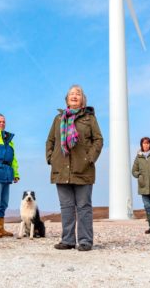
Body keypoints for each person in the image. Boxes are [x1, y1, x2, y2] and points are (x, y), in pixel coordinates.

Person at [46, 84, 103, 251]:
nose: (74, 95)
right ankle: (68, 240)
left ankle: (85, 241)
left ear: (82, 99)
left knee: (84, 206)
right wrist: (51, 158)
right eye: (71, 93)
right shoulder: (58, 119)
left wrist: (90, 158)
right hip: (61, 168)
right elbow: (50, 140)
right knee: (66, 207)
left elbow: (98, 140)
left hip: (83, 168)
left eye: (78, 93)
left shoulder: (89, 118)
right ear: (67, 99)